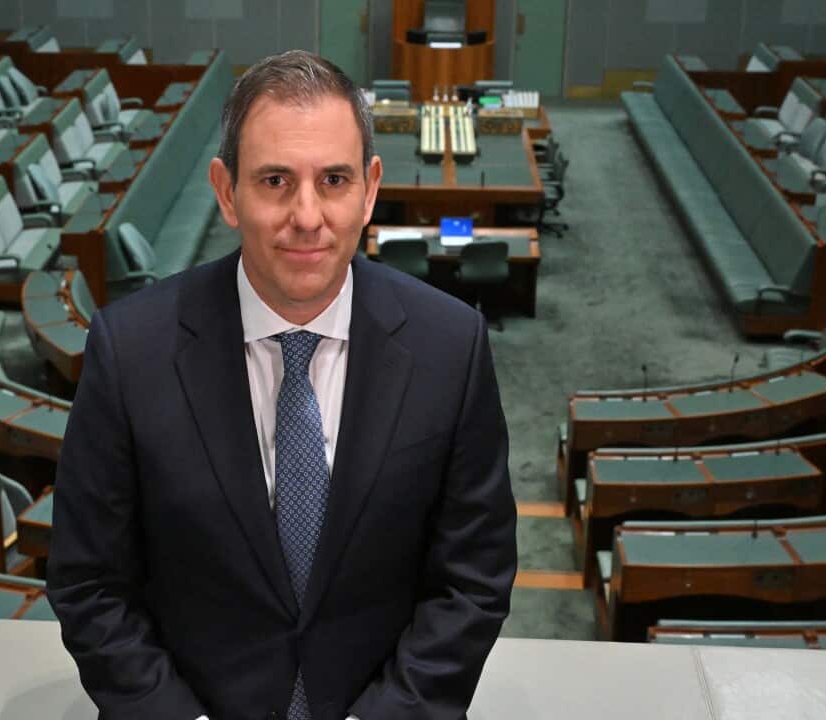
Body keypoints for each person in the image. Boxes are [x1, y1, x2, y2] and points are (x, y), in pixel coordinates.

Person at [48, 50, 516, 720]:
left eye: (333, 180)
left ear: (370, 188)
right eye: (274, 180)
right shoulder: (131, 351)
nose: (307, 215)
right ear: (226, 191)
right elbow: (89, 582)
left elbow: (474, 579)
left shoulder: (452, 346)